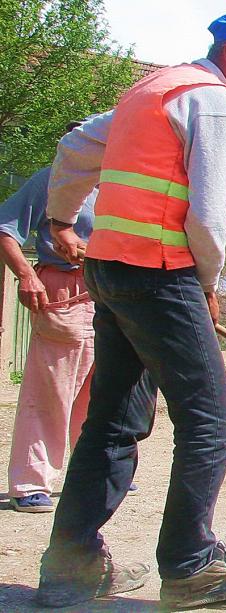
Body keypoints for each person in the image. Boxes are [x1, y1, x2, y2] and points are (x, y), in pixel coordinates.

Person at [37, 13, 226, 609]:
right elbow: (209, 213)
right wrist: (207, 285)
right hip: (160, 272)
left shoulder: (152, 90)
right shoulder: (212, 103)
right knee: (208, 421)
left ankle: (69, 569)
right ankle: (190, 568)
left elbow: (75, 145)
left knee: (114, 418)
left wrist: (61, 217)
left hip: (109, 267)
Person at [1, 160, 95, 513]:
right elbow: (5, 228)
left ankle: (93, 472)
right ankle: (31, 482)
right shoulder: (56, 178)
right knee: (51, 392)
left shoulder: (123, 183)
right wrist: (27, 274)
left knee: (100, 395)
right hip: (64, 291)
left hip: (111, 294)